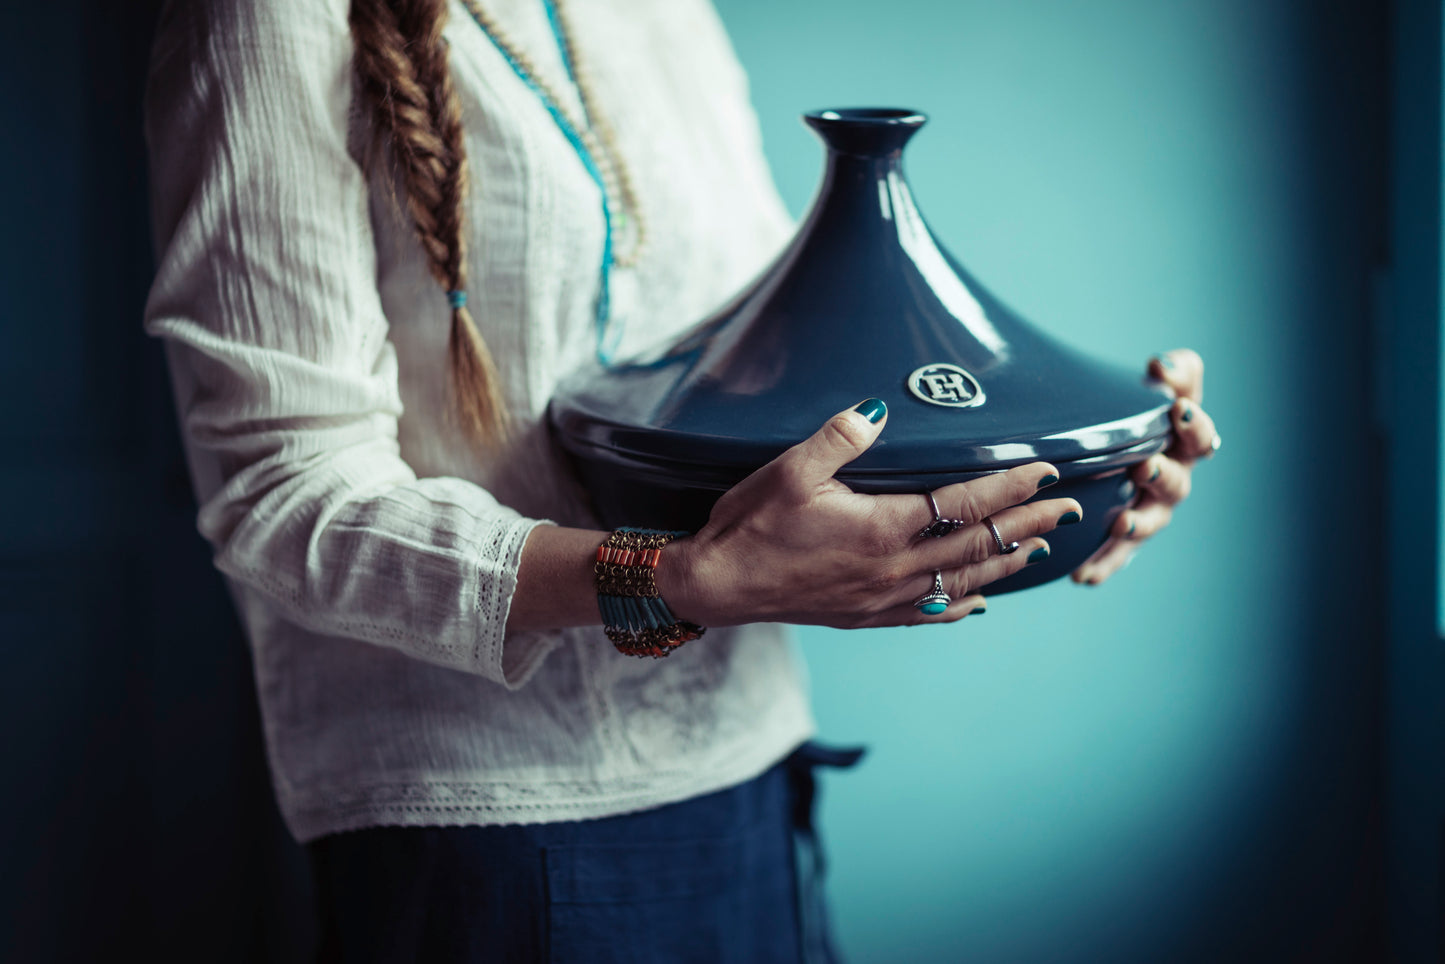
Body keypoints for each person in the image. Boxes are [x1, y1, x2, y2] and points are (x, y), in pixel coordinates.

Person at [142, 0, 1220, 960]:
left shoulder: (670, 16)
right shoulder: (265, 19)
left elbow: (783, 390)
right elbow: (283, 492)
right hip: (498, 842)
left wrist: (1080, 462)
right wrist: (671, 579)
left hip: (757, 777)